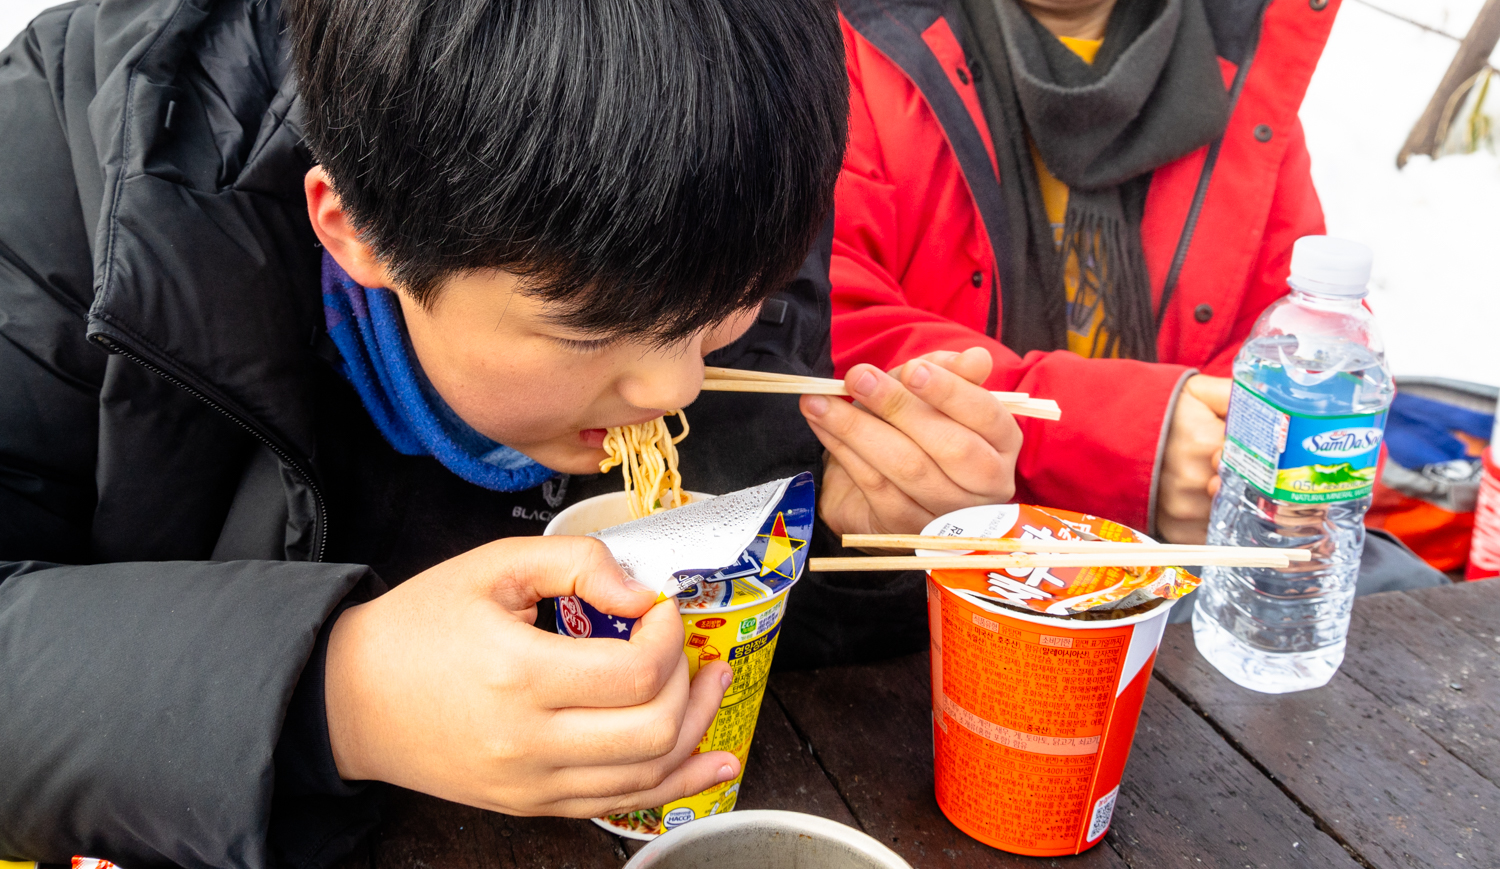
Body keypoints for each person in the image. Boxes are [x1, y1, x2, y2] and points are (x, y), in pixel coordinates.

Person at [0, 0, 1022, 866]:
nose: (673, 382)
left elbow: (756, 595)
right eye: (591, 328)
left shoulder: (726, 170)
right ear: (353, 225)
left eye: (726, 310)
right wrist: (333, 689)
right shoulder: (77, 169)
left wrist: (864, 531)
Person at [828, 0, 1335, 543]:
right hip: (933, 563)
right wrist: (1132, 445)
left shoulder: (1240, 60)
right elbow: (819, 322)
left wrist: (1233, 458)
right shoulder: (855, 43)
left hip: (1166, 577)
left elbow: (1313, 342)